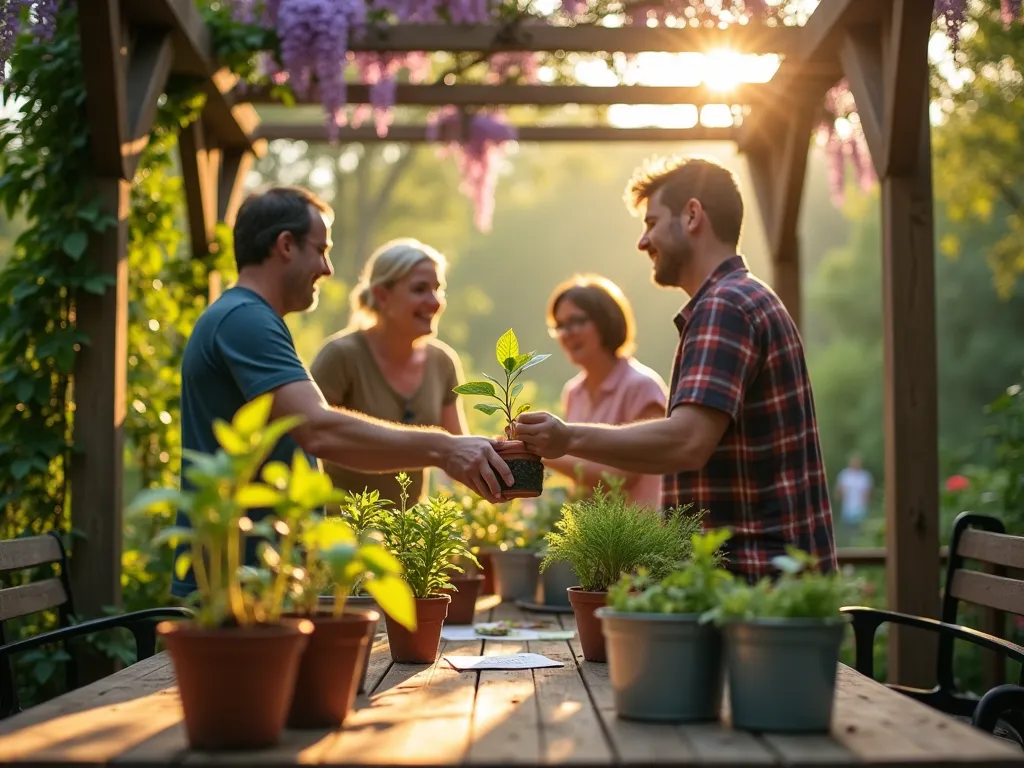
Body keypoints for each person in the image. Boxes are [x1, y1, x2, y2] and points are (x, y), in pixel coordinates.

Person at [172, 186, 512, 598]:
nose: (328, 268)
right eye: (321, 250)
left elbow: (321, 437)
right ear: (285, 246)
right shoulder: (245, 320)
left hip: (260, 576)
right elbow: (319, 430)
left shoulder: (249, 318)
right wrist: (444, 448)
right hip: (236, 581)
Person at [513, 156, 837, 582]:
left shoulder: (726, 306)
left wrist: (567, 437)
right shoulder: (737, 299)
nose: (643, 242)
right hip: (758, 583)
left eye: (651, 223)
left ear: (692, 215)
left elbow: (688, 441)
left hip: (757, 585)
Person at [309, 238, 469, 505]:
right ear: (382, 295)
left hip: (407, 533)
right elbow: (310, 437)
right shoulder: (341, 356)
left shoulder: (442, 362)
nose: (435, 302)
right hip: (341, 531)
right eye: (420, 289)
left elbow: (459, 450)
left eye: (438, 289)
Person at [543, 274, 668, 508]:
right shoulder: (573, 392)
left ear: (605, 322)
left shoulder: (642, 387)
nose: (567, 333)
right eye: (560, 326)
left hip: (638, 534)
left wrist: (545, 453)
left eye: (577, 321)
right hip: (595, 536)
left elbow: (622, 476)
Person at [834, 455, 873, 544]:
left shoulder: (864, 476)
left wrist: (866, 502)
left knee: (861, 529)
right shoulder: (844, 475)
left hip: (861, 507)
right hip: (848, 507)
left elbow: (868, 492)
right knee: (849, 529)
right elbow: (838, 490)